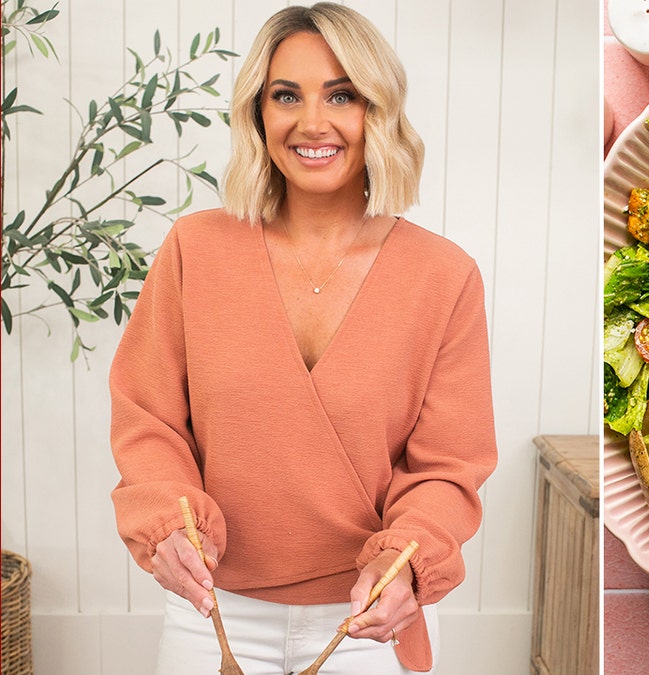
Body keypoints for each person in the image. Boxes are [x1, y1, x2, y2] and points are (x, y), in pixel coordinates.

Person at [109, 4, 497, 673]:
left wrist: (402, 561)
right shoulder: (193, 250)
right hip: (214, 616)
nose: (312, 122)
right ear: (258, 113)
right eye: (286, 95)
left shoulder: (444, 276)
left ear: (378, 110)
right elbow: (148, 421)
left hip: (367, 622)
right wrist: (168, 523)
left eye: (341, 95)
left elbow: (446, 467)